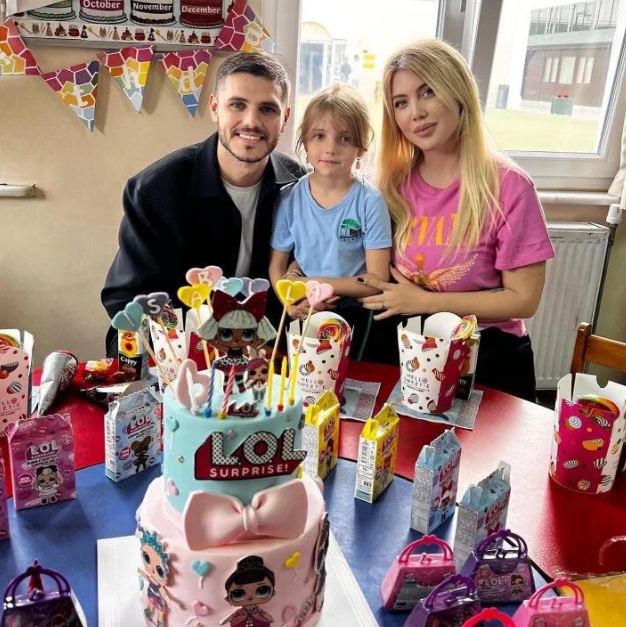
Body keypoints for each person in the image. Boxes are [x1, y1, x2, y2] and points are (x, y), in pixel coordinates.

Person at [358, 40, 554, 401]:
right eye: (401, 103)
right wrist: (298, 275)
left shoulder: (510, 186)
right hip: (407, 346)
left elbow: (524, 300)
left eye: (427, 92)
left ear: (457, 91)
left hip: (487, 354)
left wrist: (425, 302)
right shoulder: (385, 184)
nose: (416, 113)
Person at [101, 52, 307, 357]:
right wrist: (196, 348)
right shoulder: (156, 188)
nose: (251, 122)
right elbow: (126, 296)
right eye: (237, 105)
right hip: (176, 355)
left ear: (285, 118)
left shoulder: (303, 188)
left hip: (266, 354)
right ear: (214, 108)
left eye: (267, 109)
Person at [269, 83, 392, 358]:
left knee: (349, 371)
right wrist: (289, 300)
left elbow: (377, 279)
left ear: (360, 148)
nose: (330, 148)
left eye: (344, 138)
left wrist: (313, 282)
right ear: (305, 142)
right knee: (301, 370)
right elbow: (277, 266)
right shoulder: (289, 198)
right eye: (319, 136)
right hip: (304, 300)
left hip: (354, 305)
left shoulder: (370, 201)